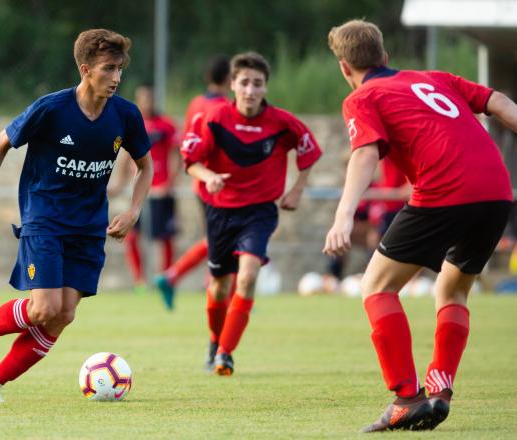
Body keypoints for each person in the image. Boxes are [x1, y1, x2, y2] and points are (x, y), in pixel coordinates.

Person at [323, 19, 517, 432]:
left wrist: (343, 216)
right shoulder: (434, 78)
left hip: (445, 191)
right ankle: (440, 391)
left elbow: (364, 154)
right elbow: (498, 101)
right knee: (452, 289)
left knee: (376, 285)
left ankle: (406, 399)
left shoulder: (363, 97)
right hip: (498, 191)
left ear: (344, 68)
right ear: (386, 56)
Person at [0, 28, 153, 403]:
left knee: (62, 315)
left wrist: (134, 210)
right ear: (85, 68)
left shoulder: (125, 115)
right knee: (44, 307)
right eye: (108, 69)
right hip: (44, 218)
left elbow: (146, 165)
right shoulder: (51, 109)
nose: (116, 78)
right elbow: (0, 143)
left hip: (90, 225)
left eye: (120, 69)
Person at [182, 51, 322, 375]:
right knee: (218, 286)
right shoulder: (213, 118)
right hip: (220, 211)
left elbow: (309, 150)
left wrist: (298, 188)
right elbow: (191, 162)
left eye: (257, 84)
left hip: (259, 212)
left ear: (265, 88)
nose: (250, 90)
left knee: (246, 276)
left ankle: (226, 354)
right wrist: (210, 177)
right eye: (244, 82)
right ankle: (215, 341)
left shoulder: (282, 122)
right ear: (232, 84)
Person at [154, 55, 231, 310]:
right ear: (230, 79)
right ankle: (185, 281)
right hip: (217, 182)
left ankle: (184, 280)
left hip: (200, 179)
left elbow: (187, 142)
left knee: (219, 238)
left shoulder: (196, 103)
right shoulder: (225, 107)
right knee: (223, 239)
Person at [109, 85, 179, 294]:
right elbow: (125, 157)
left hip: (160, 192)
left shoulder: (166, 125)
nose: (147, 102)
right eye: (143, 98)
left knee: (164, 236)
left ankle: (165, 279)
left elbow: (175, 155)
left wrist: (170, 183)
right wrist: (119, 185)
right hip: (139, 192)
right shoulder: (133, 124)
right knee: (131, 235)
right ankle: (140, 280)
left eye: (150, 98)